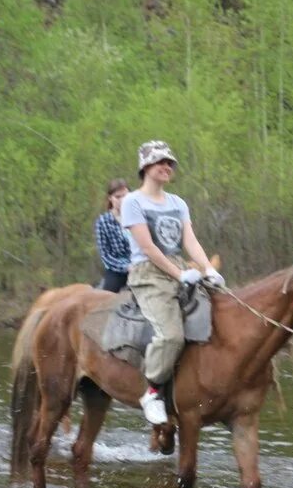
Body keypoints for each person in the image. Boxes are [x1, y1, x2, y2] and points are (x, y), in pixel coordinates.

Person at [119, 140, 225, 425]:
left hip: (179, 268)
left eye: (170, 163)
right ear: (145, 167)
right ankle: (152, 393)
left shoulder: (178, 203)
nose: (167, 166)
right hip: (149, 275)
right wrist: (179, 275)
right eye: (160, 162)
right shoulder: (133, 202)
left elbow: (189, 240)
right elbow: (150, 248)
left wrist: (207, 270)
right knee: (171, 335)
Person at [95, 179, 132, 292]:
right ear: (110, 198)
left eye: (125, 196)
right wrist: (127, 267)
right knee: (108, 297)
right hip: (117, 270)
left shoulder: (139, 217)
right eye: (118, 197)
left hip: (141, 266)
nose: (122, 200)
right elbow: (106, 256)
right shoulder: (103, 222)